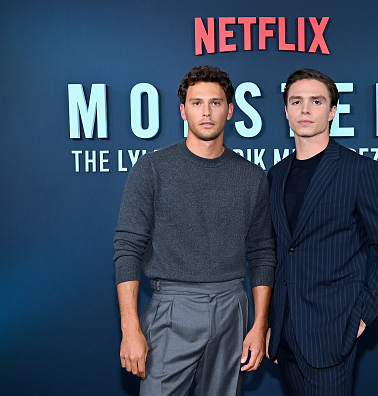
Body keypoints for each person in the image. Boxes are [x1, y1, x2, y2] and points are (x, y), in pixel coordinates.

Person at [113, 65, 275, 396]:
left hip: (232, 306)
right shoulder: (153, 168)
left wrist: (259, 325)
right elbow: (127, 247)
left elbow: (262, 253)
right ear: (183, 110)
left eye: (215, 103)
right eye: (196, 102)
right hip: (172, 306)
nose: (206, 112)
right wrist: (130, 328)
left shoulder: (252, 176)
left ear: (230, 111)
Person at [266, 69, 378, 395]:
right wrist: (273, 322)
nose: (305, 110)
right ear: (286, 110)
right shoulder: (275, 175)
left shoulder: (360, 171)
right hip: (285, 336)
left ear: (332, 111)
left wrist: (362, 315)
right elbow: (278, 252)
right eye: (296, 101)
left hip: (331, 333)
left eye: (316, 101)